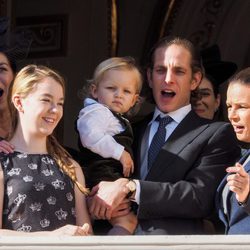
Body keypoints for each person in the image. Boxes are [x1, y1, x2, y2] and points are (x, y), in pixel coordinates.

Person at [87, 36, 241, 235]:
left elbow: (200, 197)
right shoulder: (126, 129)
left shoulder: (215, 133)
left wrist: (132, 188)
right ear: (150, 77)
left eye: (178, 71)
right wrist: (94, 196)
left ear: (195, 80)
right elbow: (98, 170)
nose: (168, 79)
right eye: (160, 70)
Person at [0, 64, 92, 236]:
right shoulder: (3, 163)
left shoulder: (71, 166)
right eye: (46, 100)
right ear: (19, 102)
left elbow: (88, 235)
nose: (55, 110)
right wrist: (51, 237)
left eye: (60, 103)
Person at [76, 57, 142, 235]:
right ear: (95, 91)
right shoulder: (96, 112)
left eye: (126, 91)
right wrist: (119, 152)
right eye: (111, 88)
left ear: (134, 99)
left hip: (112, 177)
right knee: (126, 221)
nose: (118, 94)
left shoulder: (116, 118)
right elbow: (90, 136)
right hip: (100, 175)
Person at [216, 67, 250, 234]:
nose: (232, 115)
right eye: (229, 106)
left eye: (242, 107)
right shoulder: (243, 157)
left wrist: (248, 197)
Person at [192, 45, 237, 120]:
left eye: (205, 94)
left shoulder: (226, 131)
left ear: (217, 101)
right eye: (193, 94)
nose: (198, 101)